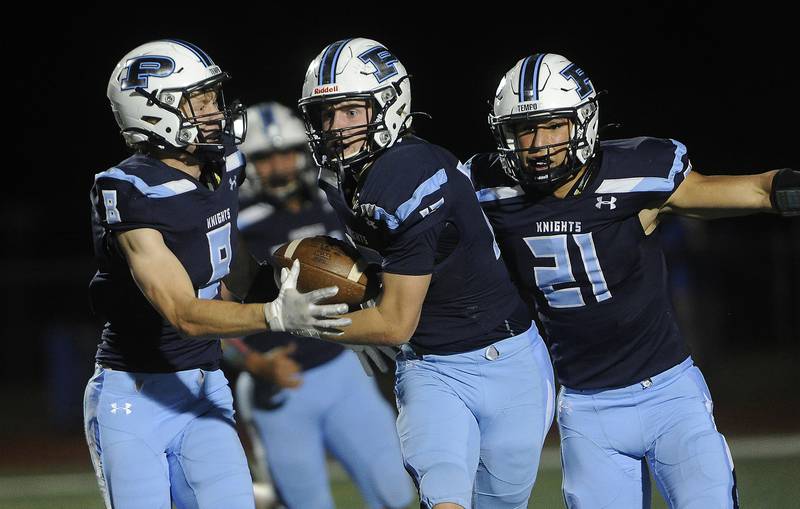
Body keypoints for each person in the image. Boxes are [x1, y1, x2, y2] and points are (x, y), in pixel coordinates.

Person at [468, 52, 800, 509]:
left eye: (552, 125)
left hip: (669, 395)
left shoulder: (633, 174)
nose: (538, 143)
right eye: (524, 129)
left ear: (582, 122)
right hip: (585, 408)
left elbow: (757, 190)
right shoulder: (489, 192)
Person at [85, 40, 350, 509]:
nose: (215, 111)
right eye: (200, 100)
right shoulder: (128, 188)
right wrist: (273, 314)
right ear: (153, 109)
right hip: (135, 394)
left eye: (213, 98)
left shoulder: (225, 161)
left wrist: (290, 271)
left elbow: (234, 256)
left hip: (205, 382)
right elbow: (184, 313)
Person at [297, 38, 555, 509]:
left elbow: (394, 323)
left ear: (390, 104)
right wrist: (359, 306)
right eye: (325, 115)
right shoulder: (341, 178)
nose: (336, 127)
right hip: (432, 366)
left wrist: (303, 322)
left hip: (511, 360)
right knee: (445, 496)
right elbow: (387, 274)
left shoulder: (408, 175)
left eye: (352, 111)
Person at [224, 101, 412, 509]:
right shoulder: (238, 223)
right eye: (265, 157)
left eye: (286, 152)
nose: (279, 166)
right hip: (279, 386)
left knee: (395, 492)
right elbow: (212, 314)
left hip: (343, 372)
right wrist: (255, 364)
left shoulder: (336, 200)